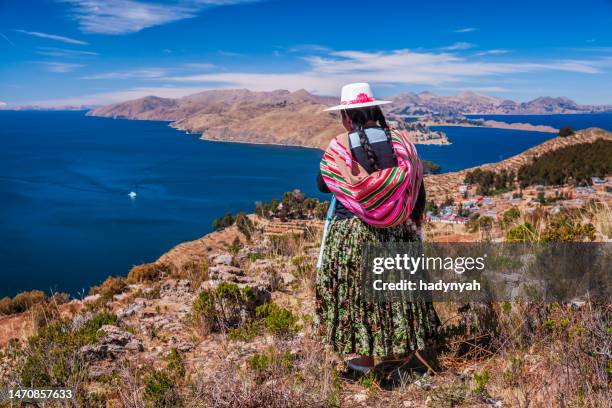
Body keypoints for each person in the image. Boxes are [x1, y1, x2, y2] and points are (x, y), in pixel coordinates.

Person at [315, 83, 439, 373]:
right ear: (376, 110)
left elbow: (322, 184)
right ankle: (404, 356)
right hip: (398, 231)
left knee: (355, 297)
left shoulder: (339, 147)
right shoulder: (402, 144)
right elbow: (416, 186)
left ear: (346, 117)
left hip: (352, 235)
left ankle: (362, 363)